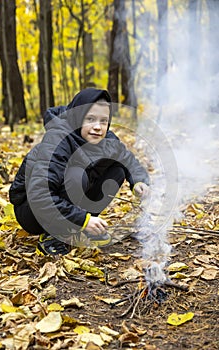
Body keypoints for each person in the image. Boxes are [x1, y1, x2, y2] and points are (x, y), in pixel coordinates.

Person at [9, 88, 149, 256]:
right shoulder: (57, 139)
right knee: (77, 175)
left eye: (103, 121)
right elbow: (40, 195)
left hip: (61, 202)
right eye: (90, 119)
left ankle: (84, 225)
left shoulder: (108, 140)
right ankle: (53, 235)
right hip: (32, 210)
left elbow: (128, 160)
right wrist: (82, 220)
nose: (98, 127)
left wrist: (139, 181)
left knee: (117, 170)